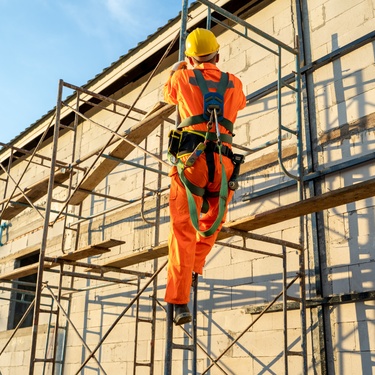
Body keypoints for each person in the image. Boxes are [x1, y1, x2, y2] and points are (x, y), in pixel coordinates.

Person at [163, 28, 246, 325]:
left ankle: (179, 300)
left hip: (192, 162)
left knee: (183, 231)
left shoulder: (182, 77)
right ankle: (194, 267)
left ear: (189, 57)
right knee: (211, 225)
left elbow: (167, 95)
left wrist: (180, 67)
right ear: (218, 55)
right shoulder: (234, 82)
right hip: (222, 165)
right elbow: (241, 103)